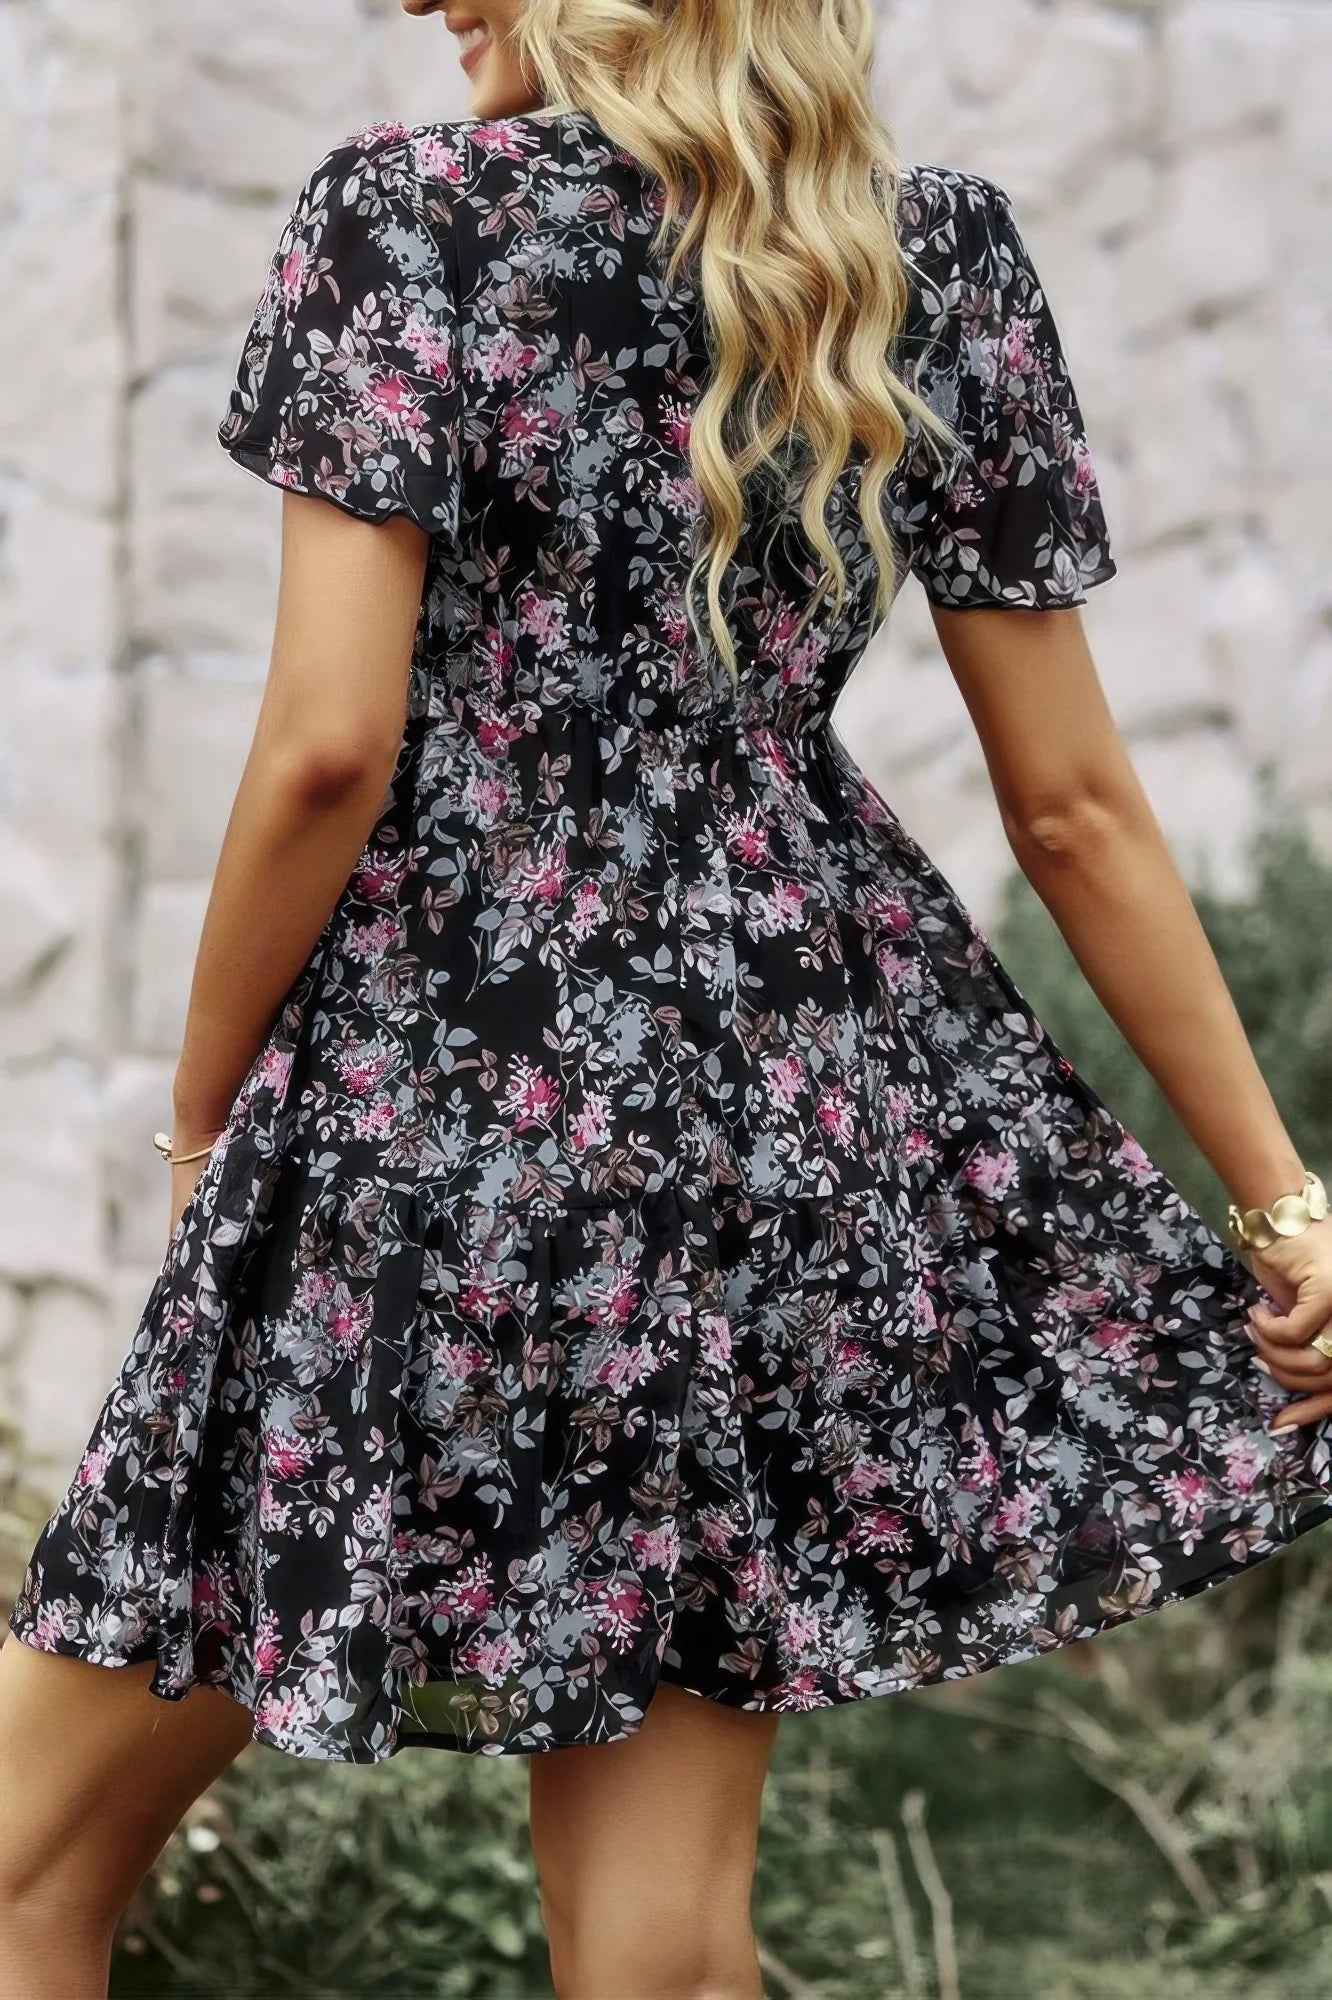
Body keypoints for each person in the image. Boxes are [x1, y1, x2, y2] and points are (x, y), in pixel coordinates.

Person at [2, 1, 1330, 1995]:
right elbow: (1071, 807)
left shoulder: (408, 218)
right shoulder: (917, 252)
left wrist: (205, 1112)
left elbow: (325, 751)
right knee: (661, 1954)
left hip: (443, 1102)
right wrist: (1286, 1200)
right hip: (781, 1113)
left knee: (24, 1865)